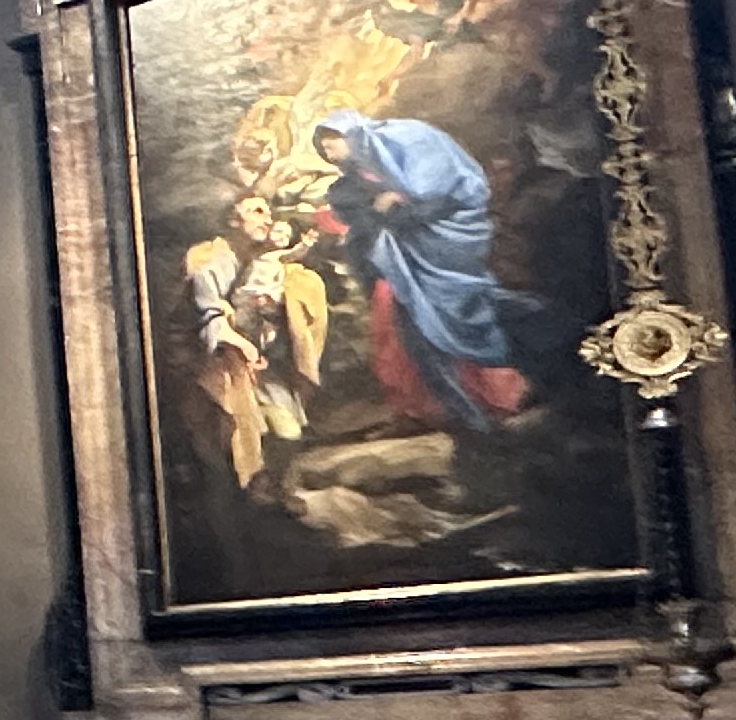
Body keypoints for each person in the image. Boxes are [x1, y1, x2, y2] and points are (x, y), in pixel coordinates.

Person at [307, 109, 537, 428]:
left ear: (352, 136)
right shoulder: (345, 189)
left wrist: (402, 202)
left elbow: (455, 194)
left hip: (444, 260)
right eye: (322, 150)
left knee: (481, 316)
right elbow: (366, 221)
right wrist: (388, 207)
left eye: (330, 144)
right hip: (400, 272)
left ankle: (504, 398)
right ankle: (468, 418)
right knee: (420, 341)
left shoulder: (409, 153)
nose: (328, 154)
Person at [182, 191, 327, 490]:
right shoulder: (211, 264)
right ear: (235, 220)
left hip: (265, 369)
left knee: (289, 433)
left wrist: (279, 310)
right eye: (258, 212)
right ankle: (249, 491)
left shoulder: (270, 263)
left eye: (268, 213)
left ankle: (275, 486)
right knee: (237, 437)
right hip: (223, 370)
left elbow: (289, 316)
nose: (268, 219)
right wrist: (243, 345)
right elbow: (209, 320)